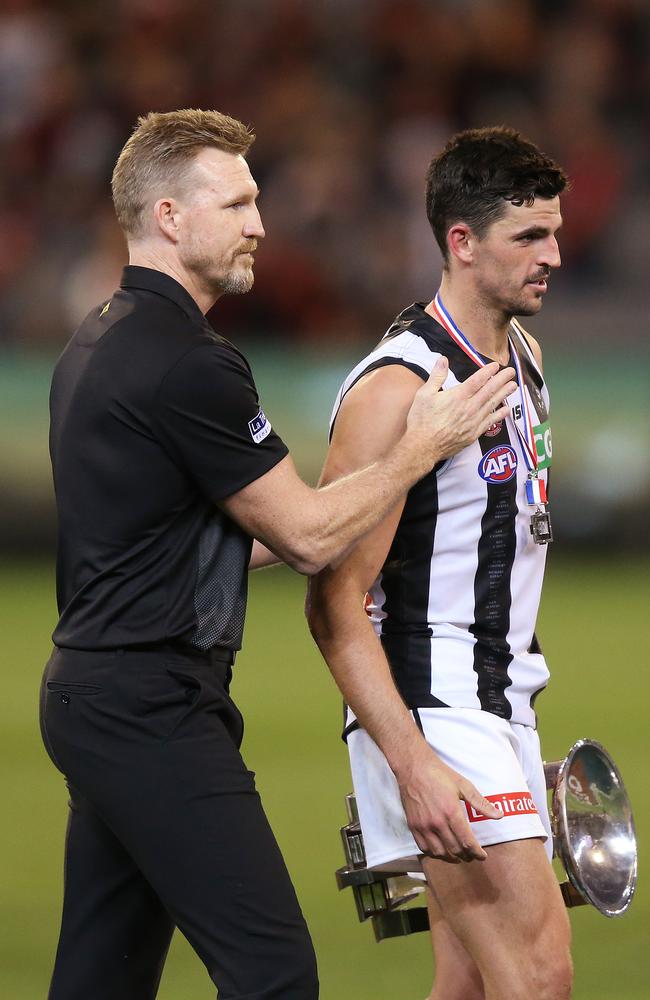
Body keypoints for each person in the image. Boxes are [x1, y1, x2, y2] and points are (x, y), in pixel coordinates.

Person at [41, 109, 517, 1000]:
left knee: (101, 979)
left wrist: (363, 503)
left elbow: (189, 545)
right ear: (171, 218)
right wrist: (424, 446)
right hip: (152, 707)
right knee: (274, 975)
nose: (260, 223)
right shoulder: (190, 363)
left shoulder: (96, 340)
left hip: (95, 694)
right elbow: (300, 534)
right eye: (238, 203)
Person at [307, 126, 571, 1000]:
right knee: (537, 978)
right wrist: (413, 760)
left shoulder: (522, 359)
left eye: (555, 233)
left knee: (466, 983)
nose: (555, 256)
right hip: (435, 710)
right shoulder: (399, 386)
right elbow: (336, 602)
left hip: (498, 706)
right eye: (529, 237)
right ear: (461, 242)